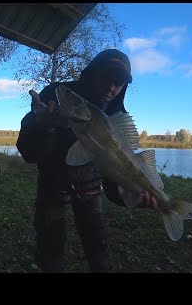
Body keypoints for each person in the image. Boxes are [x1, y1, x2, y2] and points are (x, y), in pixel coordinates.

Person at [17, 48, 157, 273]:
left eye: (118, 83)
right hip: (52, 186)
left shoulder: (115, 117)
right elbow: (27, 153)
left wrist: (132, 196)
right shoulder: (57, 94)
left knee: (100, 256)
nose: (111, 88)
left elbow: (113, 180)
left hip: (90, 188)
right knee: (50, 255)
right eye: (107, 77)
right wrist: (41, 126)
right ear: (92, 72)